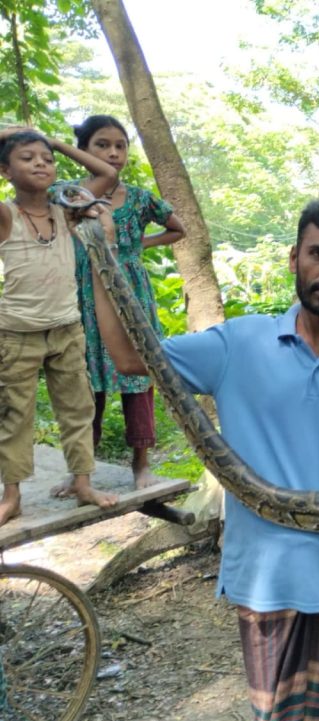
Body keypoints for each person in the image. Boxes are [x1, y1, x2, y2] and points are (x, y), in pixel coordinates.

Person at [94, 196, 319, 721]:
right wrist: (98, 249)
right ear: (294, 257)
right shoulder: (236, 345)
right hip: (268, 586)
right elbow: (128, 356)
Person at [0, 127, 120, 526]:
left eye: (47, 159)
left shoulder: (65, 210)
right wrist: (13, 133)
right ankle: (12, 496)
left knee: (78, 408)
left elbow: (107, 174)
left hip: (67, 327)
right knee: (15, 415)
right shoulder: (6, 215)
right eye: (27, 158)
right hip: (17, 332)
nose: (40, 163)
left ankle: (83, 484)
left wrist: (55, 142)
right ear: (5, 171)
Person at [71, 115, 185, 490]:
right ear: (83, 150)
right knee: (85, 381)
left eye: (120, 146)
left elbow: (177, 228)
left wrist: (138, 246)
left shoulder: (138, 198)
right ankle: (81, 471)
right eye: (102, 145)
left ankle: (141, 465)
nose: (113, 153)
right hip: (84, 295)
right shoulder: (68, 195)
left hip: (130, 294)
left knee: (138, 375)